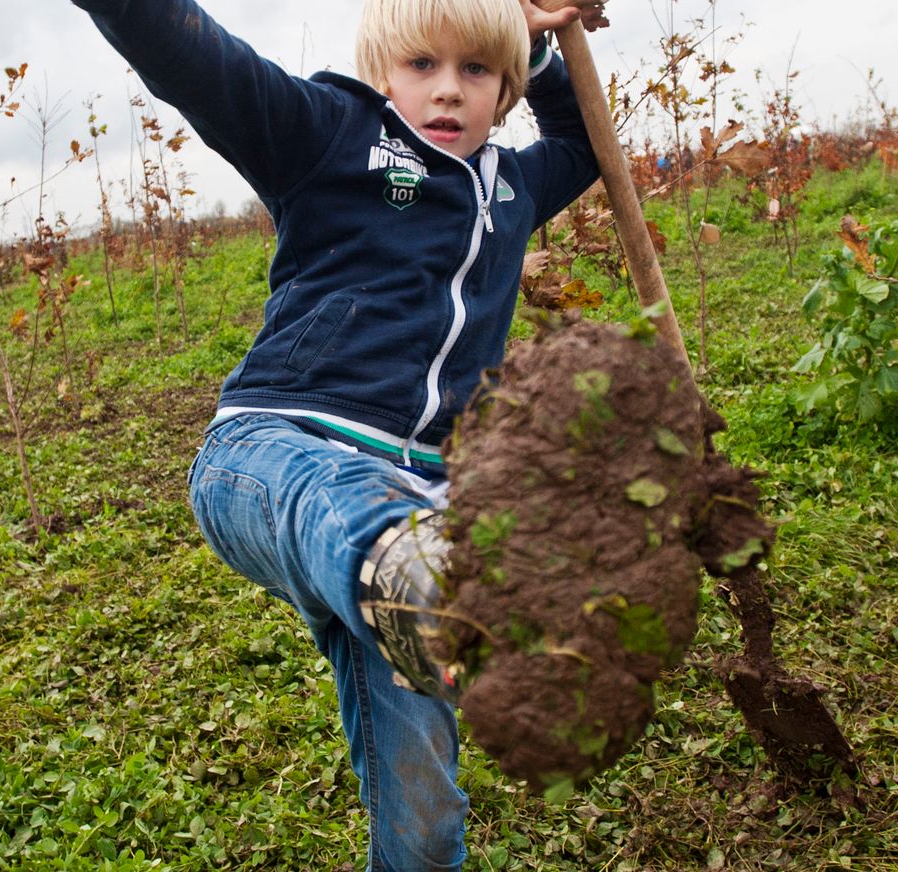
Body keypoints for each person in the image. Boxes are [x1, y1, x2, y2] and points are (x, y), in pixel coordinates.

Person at [70, 0, 609, 866]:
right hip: (275, 457)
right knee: (361, 514)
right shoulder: (326, 135)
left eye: (476, 70)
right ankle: (419, 578)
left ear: (505, 91)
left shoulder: (514, 189)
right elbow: (191, 58)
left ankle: (419, 595)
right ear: (383, 71)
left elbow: (585, 140)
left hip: (419, 505)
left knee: (427, 819)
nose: (446, 91)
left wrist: (541, 44)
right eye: (422, 65)